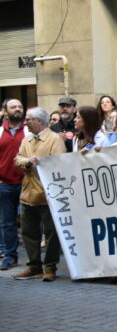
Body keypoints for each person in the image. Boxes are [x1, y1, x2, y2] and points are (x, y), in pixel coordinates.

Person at [12, 107, 66, 281]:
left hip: (47, 195)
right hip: (27, 193)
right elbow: (17, 159)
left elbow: (59, 163)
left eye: (29, 119)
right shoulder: (26, 140)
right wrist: (27, 162)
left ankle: (50, 267)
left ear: (39, 121)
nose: (25, 121)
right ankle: (34, 266)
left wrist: (40, 163)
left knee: (51, 233)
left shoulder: (54, 139)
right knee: (29, 232)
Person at [0, 99, 26, 271]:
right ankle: (10, 256)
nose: (17, 109)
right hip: (5, 184)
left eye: (20, 107)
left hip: (28, 184)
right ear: (5, 111)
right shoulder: (0, 130)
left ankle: (35, 261)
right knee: (7, 223)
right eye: (13, 107)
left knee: (30, 224)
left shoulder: (31, 130)